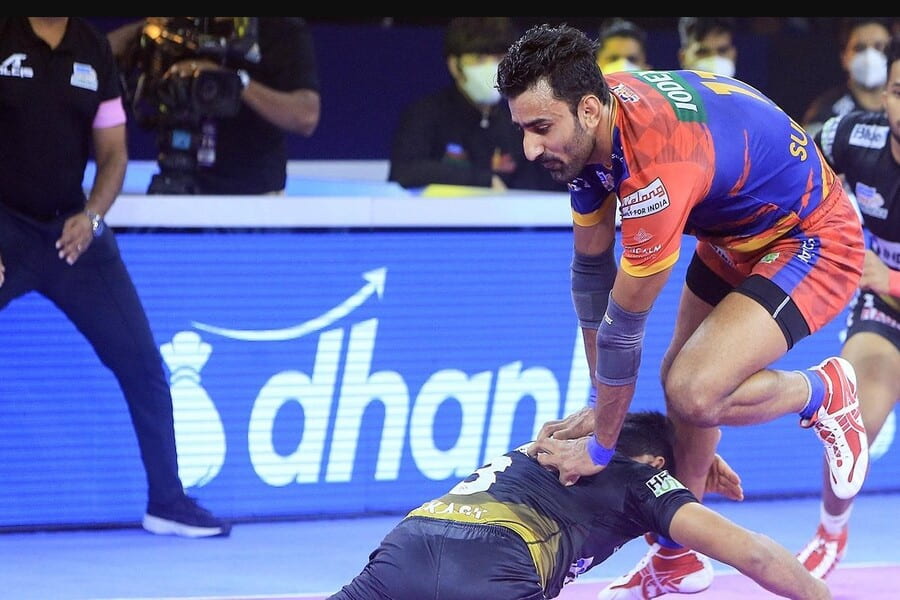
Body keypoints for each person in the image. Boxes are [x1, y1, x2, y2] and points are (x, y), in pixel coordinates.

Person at [496, 23, 869, 598]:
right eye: (522, 129)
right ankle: (675, 560)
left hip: (811, 237)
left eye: (541, 128)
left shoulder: (655, 167)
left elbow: (622, 329)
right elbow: (592, 277)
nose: (529, 149)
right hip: (733, 231)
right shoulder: (592, 121)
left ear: (589, 110)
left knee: (696, 393)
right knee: (682, 392)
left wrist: (600, 446)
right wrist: (599, 406)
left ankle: (824, 392)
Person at [0, 17, 229, 537]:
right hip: (4, 227)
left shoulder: (93, 49)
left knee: (143, 364)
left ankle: (167, 502)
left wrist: (93, 217)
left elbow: (113, 153)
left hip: (72, 234)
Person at [328, 411, 830, 600]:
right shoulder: (643, 480)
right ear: (659, 464)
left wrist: (694, 456)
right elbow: (753, 553)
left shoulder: (549, 446)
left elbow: (605, 423)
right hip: (498, 564)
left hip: (406, 546)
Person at [797, 35, 900, 580]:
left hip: (890, 286)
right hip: (886, 313)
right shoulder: (851, 135)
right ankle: (830, 531)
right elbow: (791, 163)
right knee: (855, 419)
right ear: (885, 95)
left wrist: (893, 277)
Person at [109, 17, 320, 194]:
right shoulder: (177, 24)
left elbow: (306, 116)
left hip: (253, 197)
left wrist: (233, 82)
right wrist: (146, 29)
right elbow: (100, 55)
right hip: (178, 180)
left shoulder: (279, 27)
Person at [387, 17, 564, 192]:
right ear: (455, 66)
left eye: (499, 58)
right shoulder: (425, 114)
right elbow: (405, 171)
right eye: (479, 59)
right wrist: (483, 180)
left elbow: (535, 188)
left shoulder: (517, 123)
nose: (492, 68)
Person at [802, 18, 892, 138]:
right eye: (860, 48)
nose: (870, 56)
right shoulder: (825, 114)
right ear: (844, 57)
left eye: (879, 47)